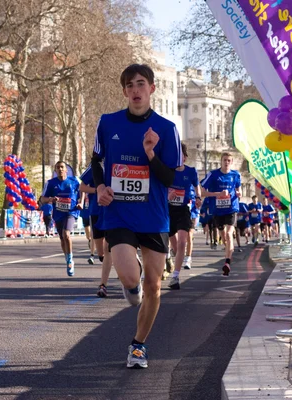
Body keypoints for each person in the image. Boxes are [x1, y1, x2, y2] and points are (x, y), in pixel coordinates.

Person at [90, 64, 182, 369]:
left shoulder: (166, 129)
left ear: (152, 89)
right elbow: (97, 160)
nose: (135, 90)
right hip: (118, 213)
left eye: (140, 84)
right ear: (124, 91)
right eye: (129, 85)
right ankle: (131, 283)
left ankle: (138, 345)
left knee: (154, 287)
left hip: (154, 217)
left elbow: (169, 179)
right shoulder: (107, 123)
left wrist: (151, 153)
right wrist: (101, 185)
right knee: (131, 278)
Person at [167, 142, 201, 290]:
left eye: (179, 155)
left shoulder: (191, 172)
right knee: (174, 246)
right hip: (168, 210)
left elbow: (196, 186)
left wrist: (199, 198)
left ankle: (175, 276)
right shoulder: (167, 170)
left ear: (185, 158)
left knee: (182, 243)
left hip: (183, 210)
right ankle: (169, 258)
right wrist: (168, 193)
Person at [201, 152, 241, 276]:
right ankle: (229, 252)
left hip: (231, 208)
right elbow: (202, 192)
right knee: (224, 237)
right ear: (221, 161)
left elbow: (238, 189)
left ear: (232, 162)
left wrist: (238, 194)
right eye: (225, 160)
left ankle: (227, 263)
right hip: (217, 210)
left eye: (229, 160)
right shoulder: (213, 175)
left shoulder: (236, 175)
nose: (227, 162)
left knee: (229, 235)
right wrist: (217, 194)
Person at [41, 161, 82, 276]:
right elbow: (42, 199)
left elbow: (83, 190)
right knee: (62, 238)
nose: (60, 169)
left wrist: (81, 202)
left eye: (62, 167)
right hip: (58, 213)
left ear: (66, 170)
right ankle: (67, 257)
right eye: (58, 167)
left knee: (66, 234)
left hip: (71, 211)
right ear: (55, 170)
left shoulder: (74, 181)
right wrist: (51, 199)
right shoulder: (50, 183)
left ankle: (70, 260)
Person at [79, 165, 114, 298]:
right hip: (96, 211)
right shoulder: (95, 166)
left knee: (109, 248)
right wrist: (98, 190)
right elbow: (82, 187)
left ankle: (103, 285)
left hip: (112, 212)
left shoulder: (118, 162)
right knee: (101, 253)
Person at [79, 190, 95, 263]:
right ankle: (89, 240)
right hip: (84, 212)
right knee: (88, 234)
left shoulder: (93, 187)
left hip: (92, 212)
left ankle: (92, 255)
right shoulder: (82, 189)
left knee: (92, 233)